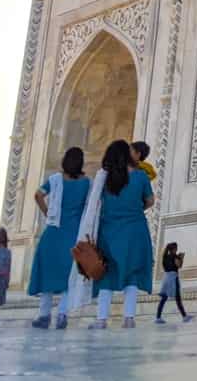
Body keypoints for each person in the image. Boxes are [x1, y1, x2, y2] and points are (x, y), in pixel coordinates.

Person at [80, 139, 155, 328]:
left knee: (107, 273)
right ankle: (129, 318)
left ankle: (101, 319)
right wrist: (136, 208)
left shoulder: (105, 178)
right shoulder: (141, 176)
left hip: (109, 231)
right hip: (135, 229)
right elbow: (150, 201)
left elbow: (95, 203)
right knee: (132, 275)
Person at [28, 146, 89, 329]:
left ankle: (44, 314)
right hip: (74, 234)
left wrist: (48, 212)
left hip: (54, 232)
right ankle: (62, 313)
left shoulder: (54, 180)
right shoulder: (86, 182)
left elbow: (38, 195)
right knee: (68, 277)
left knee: (47, 274)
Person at [156, 242, 193, 322]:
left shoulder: (165, 257)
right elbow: (179, 265)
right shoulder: (174, 256)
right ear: (174, 249)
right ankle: (184, 316)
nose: (177, 249)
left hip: (166, 278)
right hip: (173, 278)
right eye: (176, 248)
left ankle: (158, 317)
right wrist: (181, 258)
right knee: (178, 298)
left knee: (164, 298)